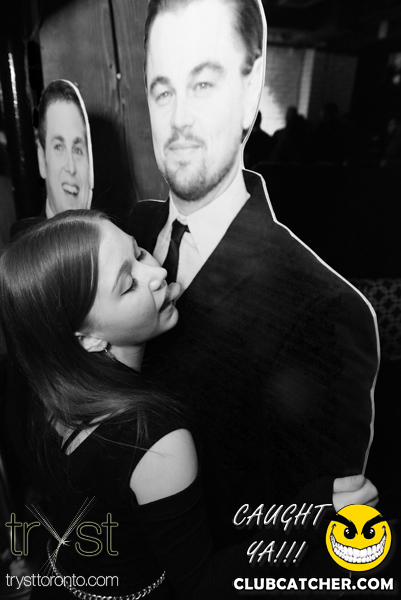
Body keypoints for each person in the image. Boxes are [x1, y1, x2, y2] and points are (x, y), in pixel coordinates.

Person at [0, 211, 378, 599]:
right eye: (129, 285)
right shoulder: (155, 440)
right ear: (89, 339)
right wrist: (307, 516)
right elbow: (203, 587)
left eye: (139, 252)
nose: (157, 273)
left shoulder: (54, 389)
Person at [131, 0, 380, 545]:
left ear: (251, 90)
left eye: (202, 84)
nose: (178, 119)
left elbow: (320, 546)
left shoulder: (326, 313)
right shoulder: (124, 236)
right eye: (162, 91)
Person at [10, 79, 94, 238]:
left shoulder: (112, 244)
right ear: (42, 160)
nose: (71, 168)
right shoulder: (25, 246)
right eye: (59, 147)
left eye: (77, 150)